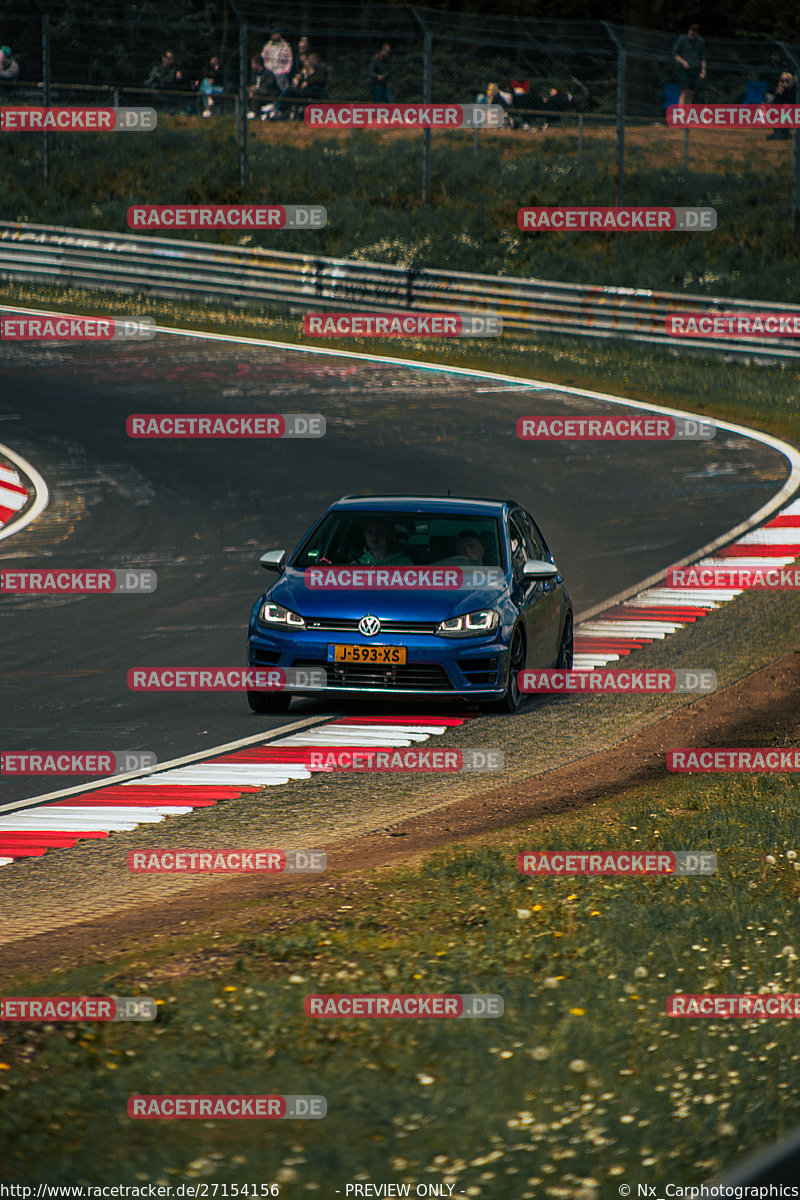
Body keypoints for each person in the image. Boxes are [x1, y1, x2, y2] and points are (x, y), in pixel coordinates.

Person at [276, 51, 328, 120]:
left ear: (316, 61)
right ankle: (280, 111)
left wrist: (308, 82)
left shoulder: (321, 70)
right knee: (289, 91)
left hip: (315, 91)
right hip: (303, 92)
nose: (310, 61)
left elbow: (319, 80)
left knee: (306, 90)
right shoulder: (304, 72)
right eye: (309, 60)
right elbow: (300, 83)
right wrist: (298, 80)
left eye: (312, 59)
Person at [672, 23, 706, 107]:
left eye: (695, 32)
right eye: (691, 32)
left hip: (695, 70)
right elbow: (675, 55)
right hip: (684, 70)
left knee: (690, 93)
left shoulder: (700, 41)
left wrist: (703, 69)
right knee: (684, 92)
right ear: (689, 31)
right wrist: (684, 62)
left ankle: (687, 117)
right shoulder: (682, 40)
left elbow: (703, 57)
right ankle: (680, 116)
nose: (692, 34)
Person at [766, 71, 796, 140]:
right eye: (782, 80)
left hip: (793, 109)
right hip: (783, 109)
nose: (784, 82)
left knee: (784, 113)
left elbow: (791, 101)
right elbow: (776, 102)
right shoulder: (781, 89)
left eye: (787, 81)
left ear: (792, 81)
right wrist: (779, 91)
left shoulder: (794, 89)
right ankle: (779, 133)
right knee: (775, 112)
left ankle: (784, 133)